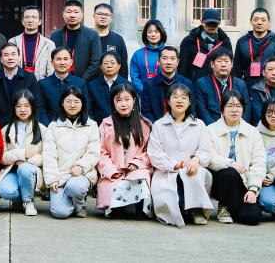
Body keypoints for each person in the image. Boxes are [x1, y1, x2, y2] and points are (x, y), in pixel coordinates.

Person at [148, 83, 214, 227]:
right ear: (168, 101)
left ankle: (196, 210)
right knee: (170, 193)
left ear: (189, 102)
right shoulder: (159, 125)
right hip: (167, 170)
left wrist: (196, 159)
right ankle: (179, 208)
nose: (179, 100)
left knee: (196, 176)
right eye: (175, 97)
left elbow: (207, 150)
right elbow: (154, 154)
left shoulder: (199, 124)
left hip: (192, 168)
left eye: (184, 97)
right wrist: (175, 164)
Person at [204, 91, 265, 225]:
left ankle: (233, 208)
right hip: (219, 181)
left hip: (243, 181)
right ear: (222, 109)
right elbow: (208, 157)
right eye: (229, 106)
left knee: (253, 217)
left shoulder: (253, 132)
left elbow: (258, 163)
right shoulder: (210, 130)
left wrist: (253, 189)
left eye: (238, 106)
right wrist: (230, 163)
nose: (234, 110)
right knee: (230, 173)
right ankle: (223, 206)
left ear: (243, 109)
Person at [42, 85, 100, 219]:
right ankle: (70, 201)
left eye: (76, 101)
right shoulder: (53, 126)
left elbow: (93, 152)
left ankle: (79, 204)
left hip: (82, 174)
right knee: (60, 213)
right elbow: (49, 155)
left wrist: (81, 167)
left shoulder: (91, 125)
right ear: (62, 103)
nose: (72, 105)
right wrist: (52, 180)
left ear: (82, 103)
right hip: (60, 176)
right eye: (68, 101)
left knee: (75, 187)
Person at [96, 83, 152, 218]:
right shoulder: (105, 124)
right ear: (113, 103)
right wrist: (111, 170)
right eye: (119, 100)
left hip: (136, 169)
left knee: (141, 178)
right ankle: (116, 208)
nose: (123, 104)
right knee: (113, 185)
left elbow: (149, 151)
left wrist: (137, 163)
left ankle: (141, 209)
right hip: (114, 169)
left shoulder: (145, 124)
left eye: (127, 99)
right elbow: (101, 152)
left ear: (134, 100)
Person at [0, 89, 46, 216]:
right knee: (6, 191)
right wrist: (22, 154)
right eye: (18, 106)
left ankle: (28, 201)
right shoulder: (6, 130)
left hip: (31, 170)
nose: (22, 110)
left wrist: (27, 161)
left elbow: (47, 156)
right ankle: (20, 199)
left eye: (26, 106)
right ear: (14, 108)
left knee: (24, 169)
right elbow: (1, 157)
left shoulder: (42, 129)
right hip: (11, 170)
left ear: (32, 107)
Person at [0, 42, 44, 127]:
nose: (10, 58)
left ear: (19, 57)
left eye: (13, 54)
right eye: (6, 55)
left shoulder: (30, 78)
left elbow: (37, 104)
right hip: (0, 125)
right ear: (1, 59)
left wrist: (33, 125)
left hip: (25, 124)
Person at [233, 8, 275, 89]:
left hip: (271, 88)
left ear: (269, 22)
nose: (259, 22)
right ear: (250, 21)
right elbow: (237, 70)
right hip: (248, 87)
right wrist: (237, 90)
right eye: (256, 19)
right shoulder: (242, 42)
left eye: (263, 20)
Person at [193, 48, 249, 125]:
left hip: (236, 126)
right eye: (219, 61)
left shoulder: (241, 84)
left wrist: (239, 126)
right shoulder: (201, 84)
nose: (223, 65)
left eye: (226, 61)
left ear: (232, 64)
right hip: (211, 127)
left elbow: (246, 107)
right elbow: (202, 110)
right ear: (212, 64)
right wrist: (215, 128)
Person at [50, 0, 103, 81]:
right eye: (68, 12)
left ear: (82, 15)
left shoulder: (92, 35)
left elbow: (96, 62)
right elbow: (52, 60)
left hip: (85, 82)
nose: (72, 15)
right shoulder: (55, 36)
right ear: (63, 14)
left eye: (76, 12)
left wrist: (81, 81)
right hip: (60, 81)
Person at [177, 8, 232, 82]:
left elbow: (230, 66)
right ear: (202, 22)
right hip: (194, 84)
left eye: (214, 24)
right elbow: (182, 68)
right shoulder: (189, 41)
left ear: (219, 24)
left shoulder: (225, 42)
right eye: (209, 23)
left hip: (218, 84)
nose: (211, 27)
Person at [141, 46, 193, 123]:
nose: (168, 62)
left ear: (177, 62)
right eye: (165, 58)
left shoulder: (186, 83)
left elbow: (192, 108)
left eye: (172, 58)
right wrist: (157, 126)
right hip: (156, 126)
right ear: (159, 61)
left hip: (182, 125)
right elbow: (146, 111)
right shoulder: (149, 85)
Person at [38, 47, 88, 125]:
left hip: (75, 127)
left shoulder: (80, 83)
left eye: (65, 59)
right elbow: (41, 110)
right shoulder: (43, 84)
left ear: (71, 62)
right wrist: (48, 127)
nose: (62, 62)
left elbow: (85, 108)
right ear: (52, 62)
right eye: (58, 59)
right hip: (50, 127)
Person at [9, 6, 54, 80]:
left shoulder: (49, 44)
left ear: (40, 21)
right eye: (27, 17)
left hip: (40, 83)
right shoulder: (13, 42)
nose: (30, 20)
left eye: (34, 17)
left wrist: (45, 84)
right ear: (22, 21)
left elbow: (51, 70)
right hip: (18, 82)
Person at [87, 52, 132, 123]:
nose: (109, 66)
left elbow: (132, 109)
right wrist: (95, 125)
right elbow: (88, 110)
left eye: (112, 63)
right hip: (98, 125)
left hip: (123, 124)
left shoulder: (127, 85)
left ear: (119, 66)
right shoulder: (92, 85)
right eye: (106, 63)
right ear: (101, 67)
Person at [129, 19, 167, 95]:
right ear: (145, 34)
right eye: (150, 32)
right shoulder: (138, 54)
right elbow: (135, 77)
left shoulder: (168, 52)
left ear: (161, 33)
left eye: (156, 31)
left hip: (164, 94)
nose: (153, 34)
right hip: (143, 95)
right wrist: (144, 91)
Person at [92, 3, 129, 80]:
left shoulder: (118, 39)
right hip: (89, 83)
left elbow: (123, 67)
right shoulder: (86, 37)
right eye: (100, 14)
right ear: (94, 16)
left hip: (112, 84)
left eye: (107, 15)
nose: (103, 17)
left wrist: (122, 84)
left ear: (111, 18)